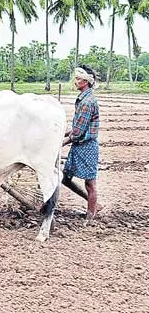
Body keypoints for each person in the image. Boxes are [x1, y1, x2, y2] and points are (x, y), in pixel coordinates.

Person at [62, 65, 100, 220]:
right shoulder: (84, 98)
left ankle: (90, 216)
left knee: (90, 184)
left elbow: (77, 132)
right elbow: (77, 128)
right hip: (79, 146)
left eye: (78, 79)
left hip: (87, 147)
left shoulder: (87, 102)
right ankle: (95, 206)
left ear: (85, 82)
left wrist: (61, 143)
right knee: (65, 179)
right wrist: (61, 135)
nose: (75, 81)